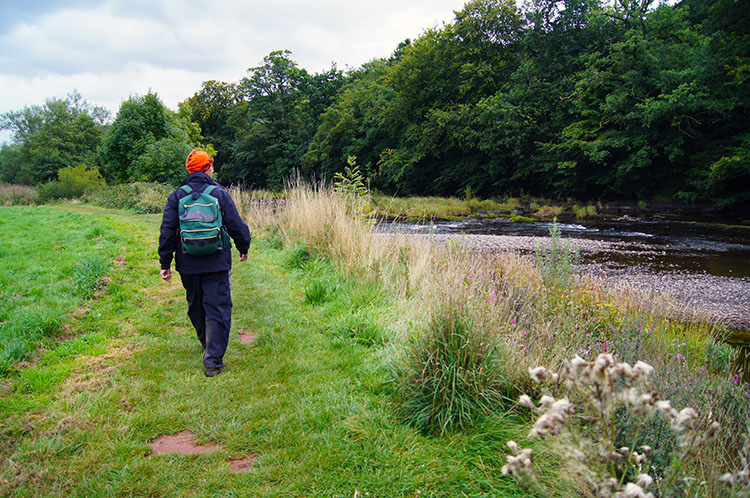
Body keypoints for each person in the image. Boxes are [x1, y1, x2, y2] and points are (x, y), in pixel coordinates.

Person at [158, 149, 252, 377]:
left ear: (189, 170)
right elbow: (235, 225)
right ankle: (213, 361)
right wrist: (243, 247)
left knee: (196, 307)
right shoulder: (219, 193)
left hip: (188, 263)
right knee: (218, 308)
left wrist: (165, 262)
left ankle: (207, 345)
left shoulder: (176, 196)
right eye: (211, 166)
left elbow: (167, 232)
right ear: (207, 168)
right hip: (217, 261)